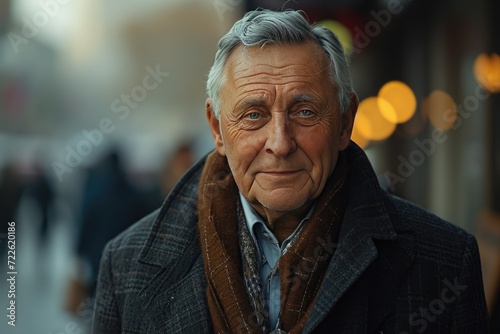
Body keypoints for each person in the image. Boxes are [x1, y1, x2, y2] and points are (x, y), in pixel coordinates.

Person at [92, 9, 489, 334]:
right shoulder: (126, 266)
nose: (280, 143)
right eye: (253, 115)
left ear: (345, 122)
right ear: (216, 128)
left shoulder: (445, 263)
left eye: (304, 112)